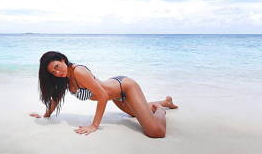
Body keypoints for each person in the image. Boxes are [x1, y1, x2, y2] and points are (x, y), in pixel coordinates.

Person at [30, 51, 178, 137]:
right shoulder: (64, 79)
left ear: (63, 60)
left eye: (57, 66)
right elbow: (56, 98)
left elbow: (102, 96)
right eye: (53, 72)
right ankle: (166, 102)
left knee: (155, 132)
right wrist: (46, 115)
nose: (57, 72)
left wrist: (94, 125)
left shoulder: (78, 71)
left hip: (125, 87)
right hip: (114, 94)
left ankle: (159, 109)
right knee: (134, 113)